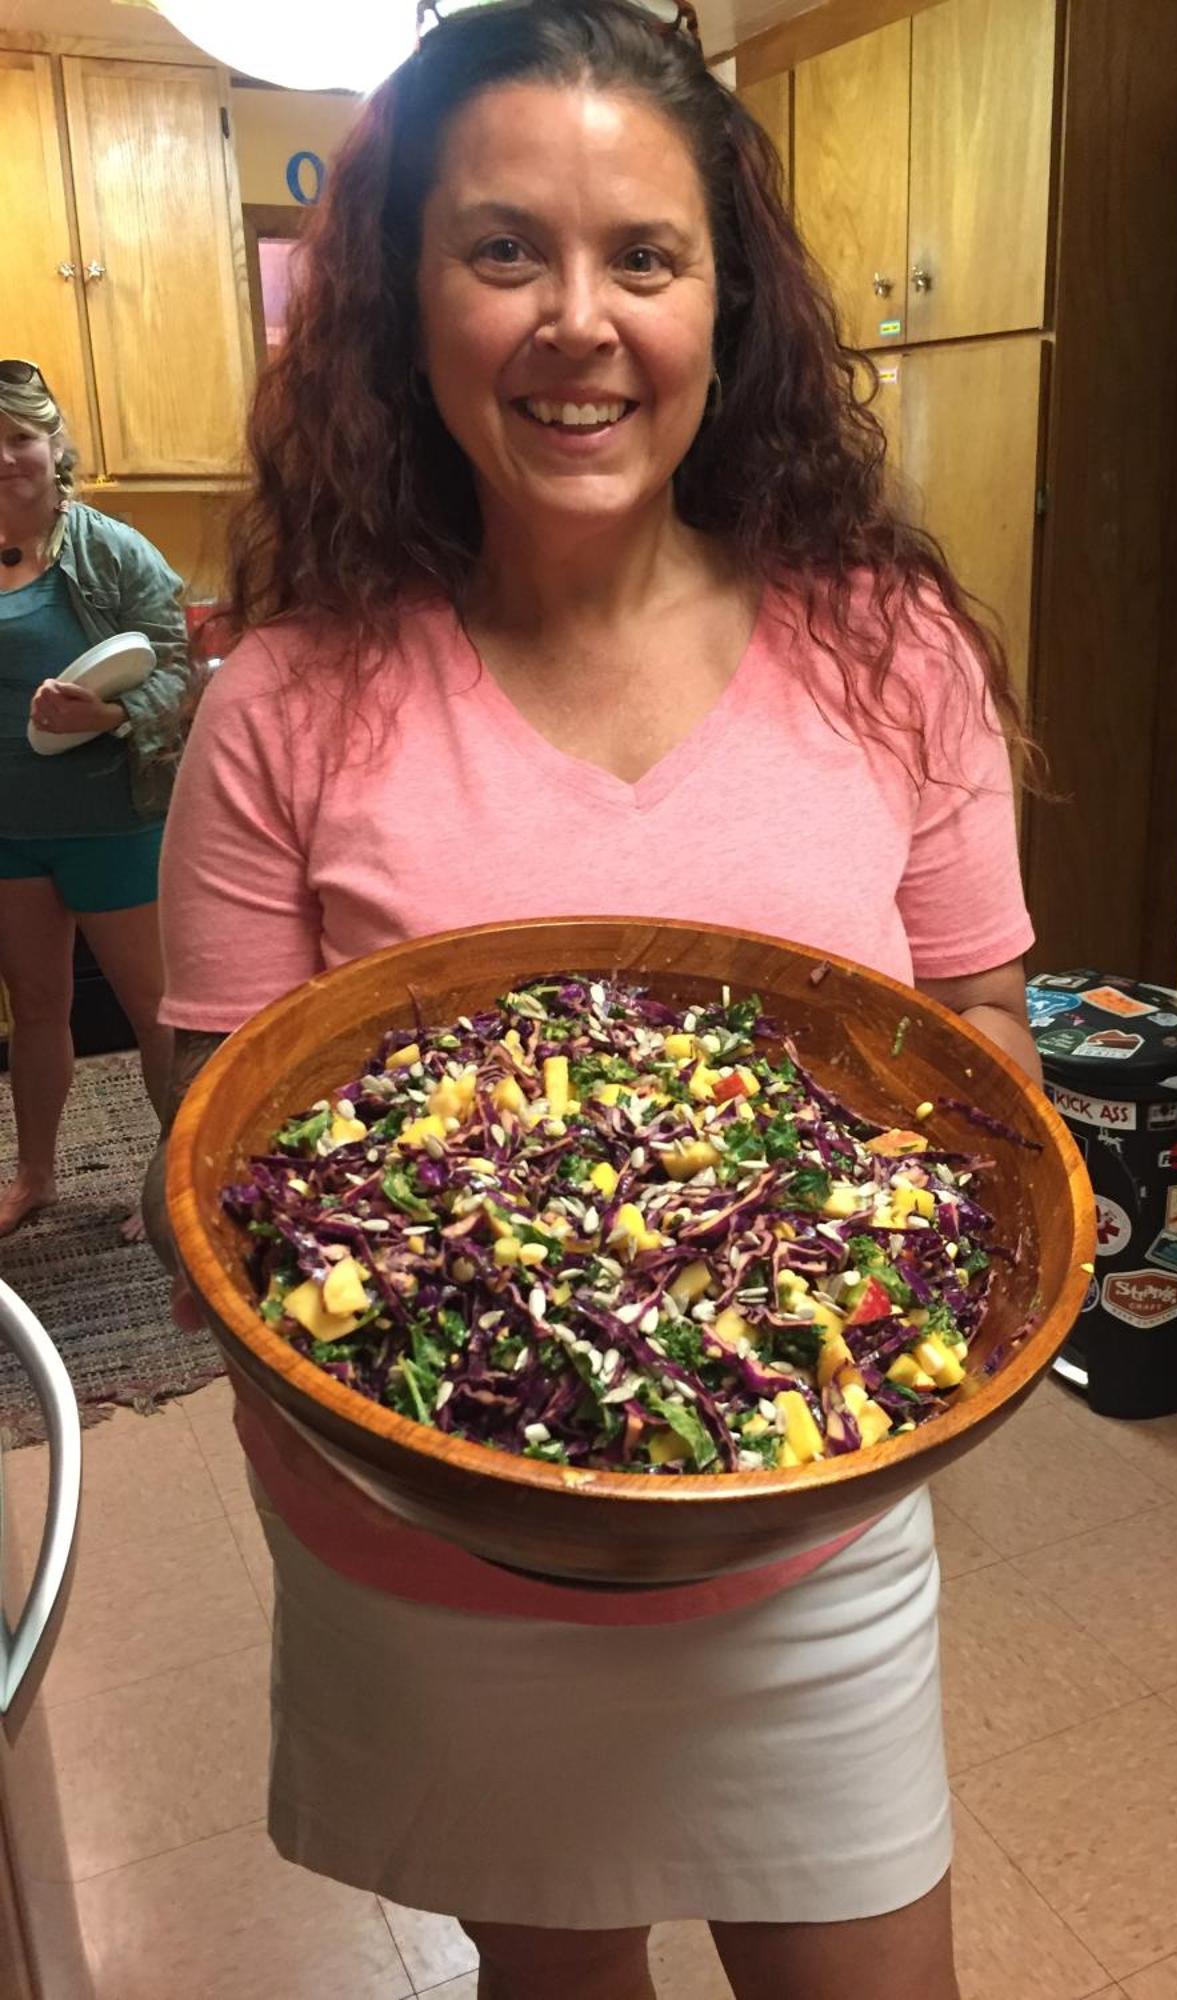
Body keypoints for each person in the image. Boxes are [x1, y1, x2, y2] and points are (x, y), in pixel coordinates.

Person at [145, 5, 1040, 1995]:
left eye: (644, 255)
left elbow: (980, 1031)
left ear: (728, 305)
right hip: (435, 1544)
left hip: (803, 1528)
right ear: (409, 304)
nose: (578, 321)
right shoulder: (285, 705)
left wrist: (869, 1256)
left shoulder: (890, 653)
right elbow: (224, 1148)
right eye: (502, 251)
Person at [0, 360, 188, 1239]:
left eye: (20, 437)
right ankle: (35, 1175)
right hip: (11, 831)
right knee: (37, 1007)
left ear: (54, 444)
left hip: (115, 822)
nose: (6, 459)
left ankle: (178, 1179)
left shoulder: (110, 550)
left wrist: (110, 713)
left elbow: (179, 671)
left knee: (157, 1014)